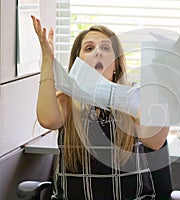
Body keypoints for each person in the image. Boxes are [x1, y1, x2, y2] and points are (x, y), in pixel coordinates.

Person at [31, 15, 170, 200]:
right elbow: (47, 119)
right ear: (78, 62)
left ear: (116, 65)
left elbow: (155, 141)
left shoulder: (135, 95)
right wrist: (48, 61)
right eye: (89, 48)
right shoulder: (67, 101)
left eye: (106, 48)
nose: (98, 52)